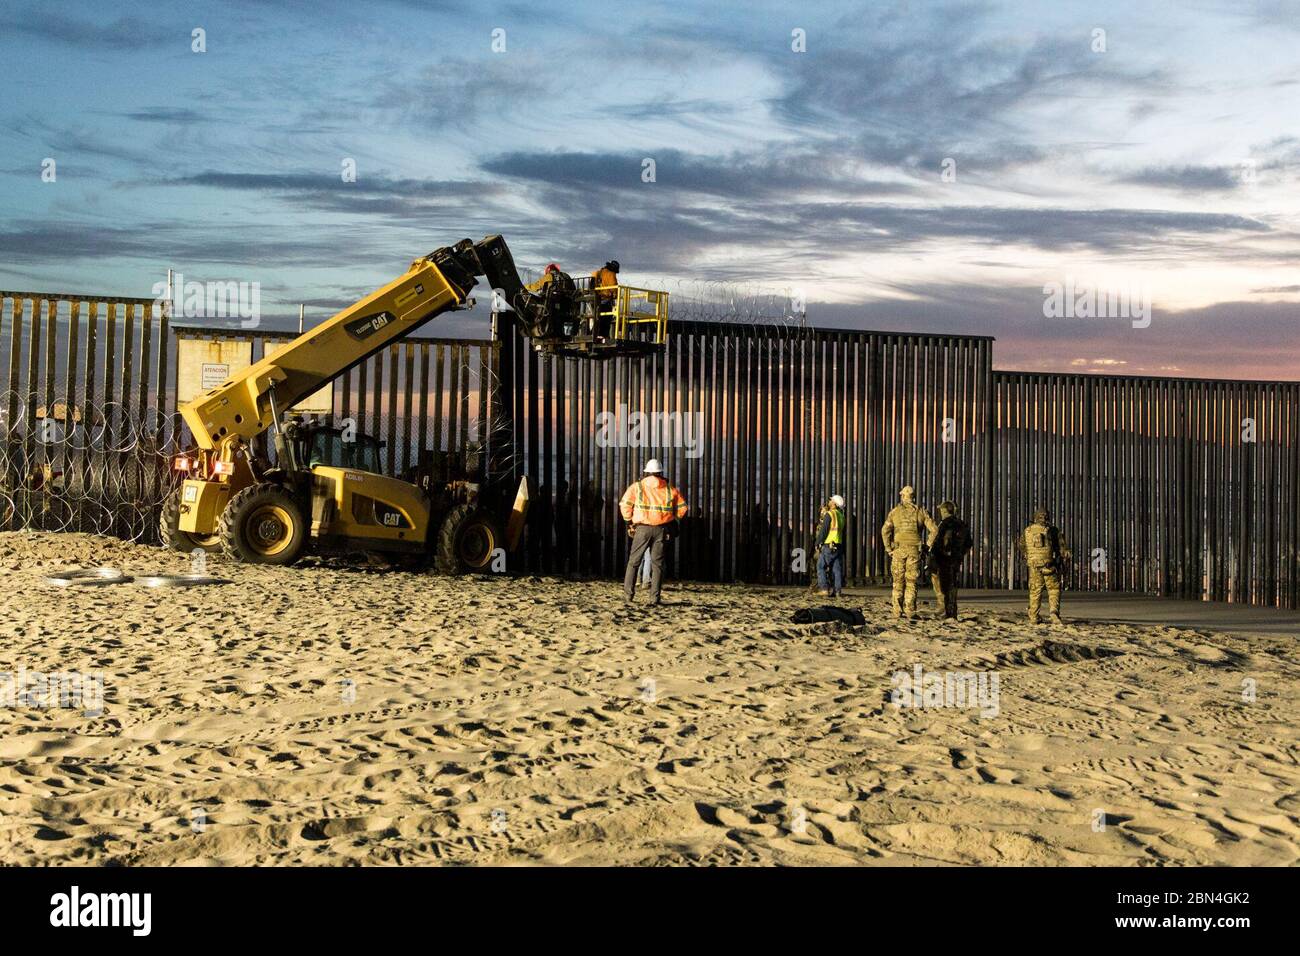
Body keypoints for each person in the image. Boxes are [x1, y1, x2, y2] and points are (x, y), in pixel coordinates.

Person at [619, 458, 687, 605]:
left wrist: (629, 521)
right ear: (660, 472)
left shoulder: (637, 487)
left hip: (642, 529)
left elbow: (625, 505)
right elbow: (683, 509)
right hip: (662, 530)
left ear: (646, 472)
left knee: (634, 562)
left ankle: (628, 596)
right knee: (657, 565)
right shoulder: (670, 489)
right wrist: (673, 518)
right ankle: (654, 598)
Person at [880, 485, 938, 620]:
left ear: (902, 496)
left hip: (898, 550)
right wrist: (926, 546)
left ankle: (897, 611)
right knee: (911, 582)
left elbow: (885, 531)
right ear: (913, 497)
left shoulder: (894, 512)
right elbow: (934, 530)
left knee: (897, 581)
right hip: (914, 551)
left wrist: (888, 548)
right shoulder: (921, 512)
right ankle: (910, 610)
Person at [1018, 507, 1070, 625]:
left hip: (1034, 566)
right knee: (1054, 589)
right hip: (1049, 565)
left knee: (1035, 591)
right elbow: (1063, 550)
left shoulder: (1027, 531)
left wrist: (1028, 557)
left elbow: (1022, 546)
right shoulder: (1053, 530)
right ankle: (1054, 614)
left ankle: (1034, 616)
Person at [928, 500, 972, 620]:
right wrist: (960, 554)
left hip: (944, 560)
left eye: (941, 510)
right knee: (952, 586)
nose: (941, 512)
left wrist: (934, 556)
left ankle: (947, 613)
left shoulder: (945, 523)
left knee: (945, 587)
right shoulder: (962, 524)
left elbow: (938, 543)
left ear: (945, 510)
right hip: (956, 560)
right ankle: (952, 613)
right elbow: (969, 543)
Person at [814, 494, 847, 597]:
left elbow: (824, 531)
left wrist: (818, 542)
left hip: (829, 545)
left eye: (831, 501)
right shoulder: (841, 516)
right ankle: (837, 591)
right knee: (836, 569)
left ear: (834, 504)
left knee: (820, 566)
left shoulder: (830, 514)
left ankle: (824, 589)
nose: (829, 502)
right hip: (839, 545)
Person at [591, 260, 620, 340]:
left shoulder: (597, 272)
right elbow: (614, 286)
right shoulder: (611, 274)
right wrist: (615, 296)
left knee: (596, 318)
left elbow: (592, 284)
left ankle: (593, 334)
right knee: (606, 318)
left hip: (595, 299)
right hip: (605, 299)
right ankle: (603, 335)